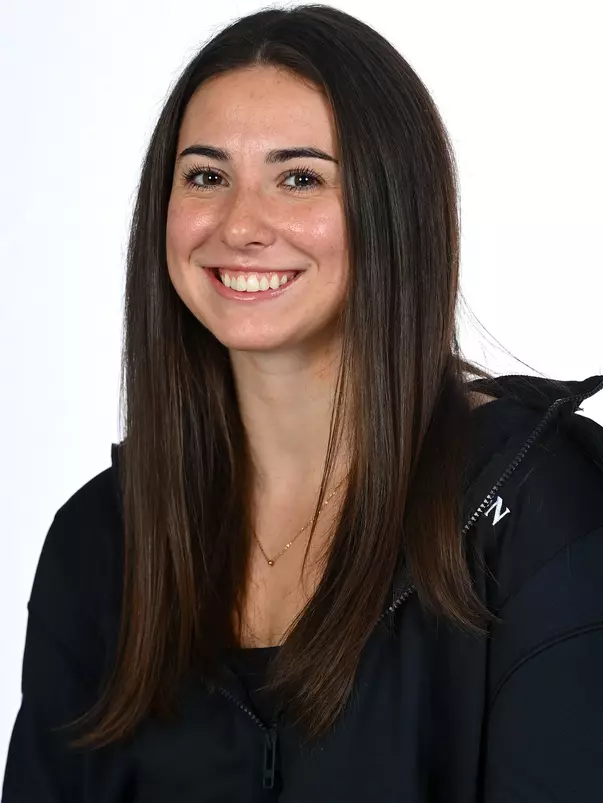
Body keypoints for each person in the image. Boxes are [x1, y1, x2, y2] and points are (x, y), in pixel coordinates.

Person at [3, 4, 603, 801]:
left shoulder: (534, 508)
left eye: (299, 177)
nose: (241, 224)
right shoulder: (101, 541)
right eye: (206, 176)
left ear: (392, 209)